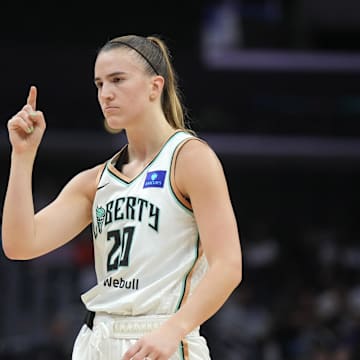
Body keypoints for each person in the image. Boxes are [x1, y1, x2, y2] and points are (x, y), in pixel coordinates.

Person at [2, 34, 242, 360]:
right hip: (96, 339)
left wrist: (175, 328)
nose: (106, 94)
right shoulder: (95, 180)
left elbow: (228, 266)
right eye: (99, 84)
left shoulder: (189, 158)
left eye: (117, 80)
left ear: (155, 87)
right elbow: (20, 244)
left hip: (161, 336)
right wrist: (22, 156)